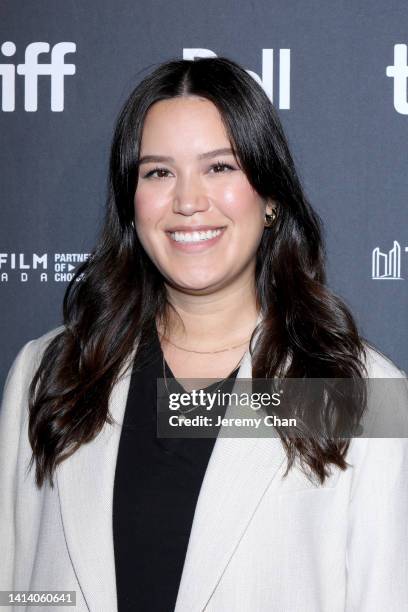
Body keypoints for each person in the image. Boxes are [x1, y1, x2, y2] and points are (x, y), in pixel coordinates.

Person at [0, 56, 407, 612]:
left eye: (219, 167)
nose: (188, 202)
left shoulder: (360, 396)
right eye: (158, 172)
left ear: (270, 197)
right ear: (131, 203)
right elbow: (17, 590)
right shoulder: (48, 373)